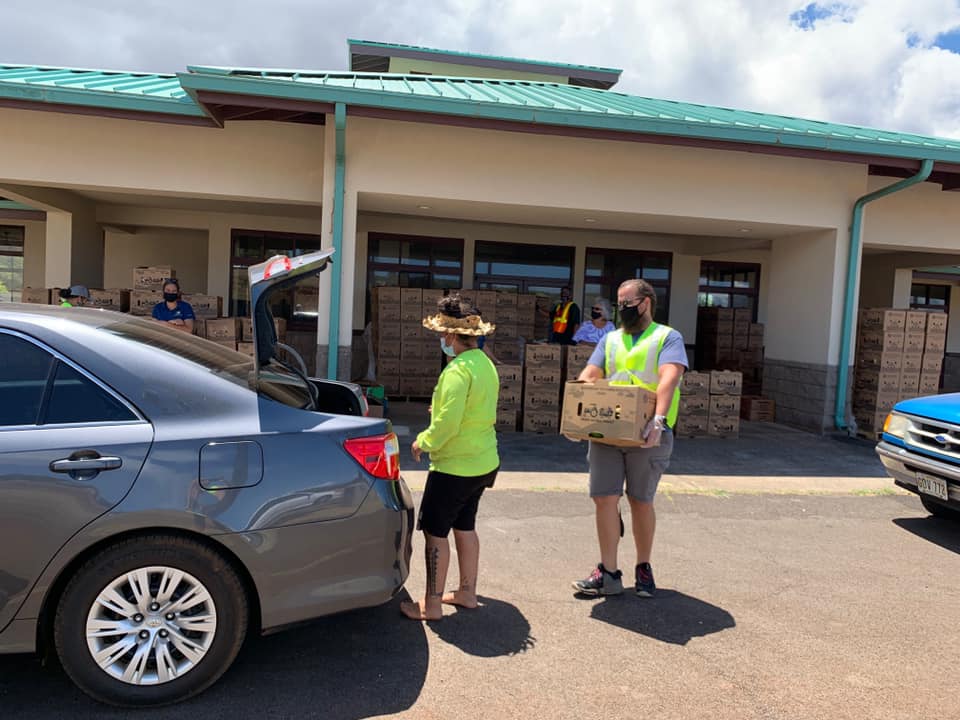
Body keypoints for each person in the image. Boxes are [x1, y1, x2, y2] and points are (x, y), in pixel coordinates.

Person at [572, 278, 687, 598]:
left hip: (649, 433)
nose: (621, 310)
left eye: (627, 304)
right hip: (608, 431)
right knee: (604, 498)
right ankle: (608, 573)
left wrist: (659, 420)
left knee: (640, 500)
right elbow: (590, 375)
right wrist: (578, 413)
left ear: (645, 303)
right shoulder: (610, 340)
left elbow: (669, 378)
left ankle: (643, 567)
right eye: (619, 304)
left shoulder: (667, 337)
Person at [402, 294, 500, 621]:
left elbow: (448, 424)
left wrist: (423, 441)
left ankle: (431, 605)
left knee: (435, 533)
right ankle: (467, 592)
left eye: (444, 334)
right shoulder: (486, 364)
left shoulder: (457, 370)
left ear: (452, 336)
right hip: (483, 461)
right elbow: (473, 409)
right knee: (465, 526)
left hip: (454, 466)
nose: (443, 340)